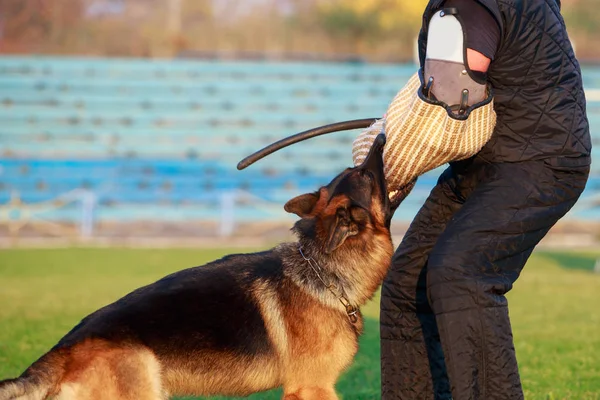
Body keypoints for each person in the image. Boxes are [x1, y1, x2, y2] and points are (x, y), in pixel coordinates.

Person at [354, 0, 591, 399]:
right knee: (406, 283)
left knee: (461, 275)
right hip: (488, 161)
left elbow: (453, 96)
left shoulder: (467, 6)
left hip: (539, 163)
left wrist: (387, 162)